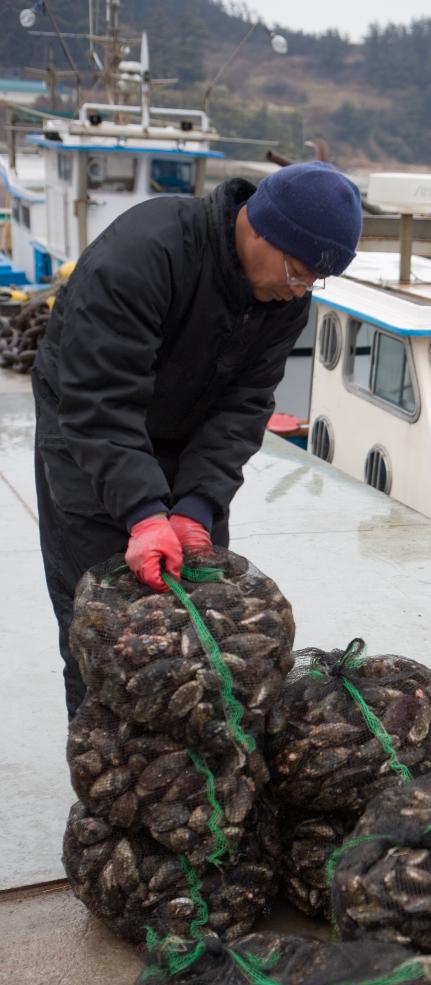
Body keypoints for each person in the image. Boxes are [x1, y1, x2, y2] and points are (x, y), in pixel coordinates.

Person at [32, 161, 362, 718]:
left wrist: (196, 503)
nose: (300, 289)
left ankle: (195, 775)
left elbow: (246, 403)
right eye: (298, 271)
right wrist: (141, 510)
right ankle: (108, 783)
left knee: (208, 620)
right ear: (260, 227)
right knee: (103, 629)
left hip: (185, 437)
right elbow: (100, 401)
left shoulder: (284, 296)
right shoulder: (142, 255)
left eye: (314, 280)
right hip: (86, 434)